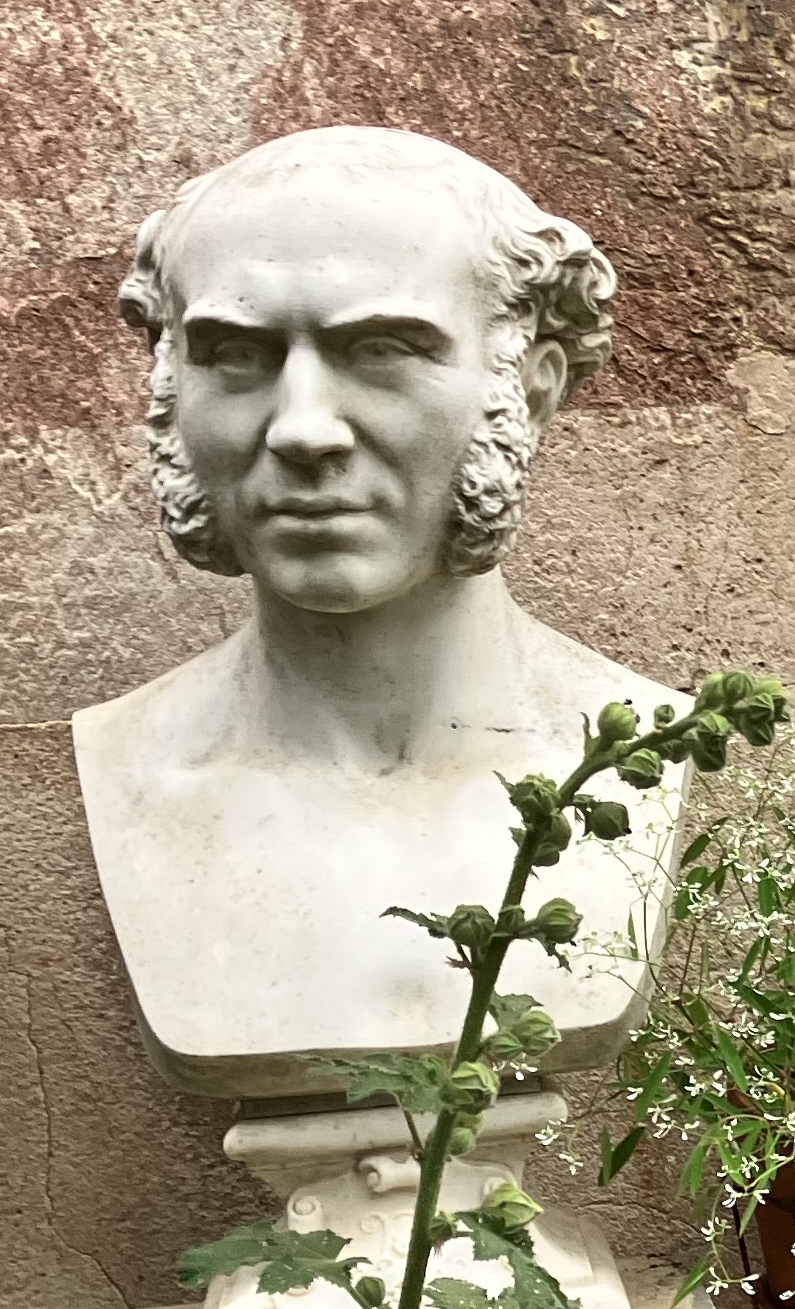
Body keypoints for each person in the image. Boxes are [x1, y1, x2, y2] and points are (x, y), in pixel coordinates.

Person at [75, 126, 678, 1101]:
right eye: (236, 356)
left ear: (532, 386)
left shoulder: (633, 757)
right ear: (170, 390)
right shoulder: (131, 766)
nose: (303, 429)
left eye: (382, 351)